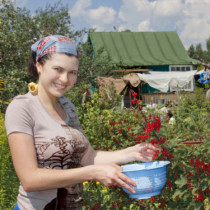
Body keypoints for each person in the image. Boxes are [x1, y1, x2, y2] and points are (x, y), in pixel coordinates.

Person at [5, 35, 160, 210]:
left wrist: (131, 153)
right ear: (39, 66)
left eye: (72, 73)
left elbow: (87, 157)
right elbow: (30, 179)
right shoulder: (22, 108)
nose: (65, 79)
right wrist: (93, 173)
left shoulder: (67, 106)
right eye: (58, 69)